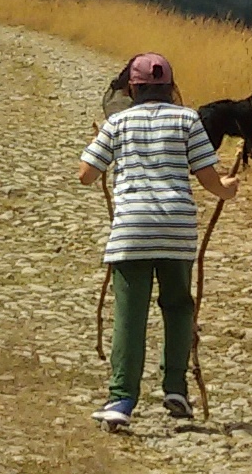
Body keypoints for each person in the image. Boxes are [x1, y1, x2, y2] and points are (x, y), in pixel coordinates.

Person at [79, 51, 237, 432]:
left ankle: (121, 399)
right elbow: (208, 177)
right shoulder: (188, 120)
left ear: (133, 88)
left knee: (130, 314)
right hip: (176, 228)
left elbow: (86, 174)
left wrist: (101, 146)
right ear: (171, 87)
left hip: (132, 229)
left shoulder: (118, 121)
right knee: (178, 306)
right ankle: (175, 387)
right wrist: (228, 189)